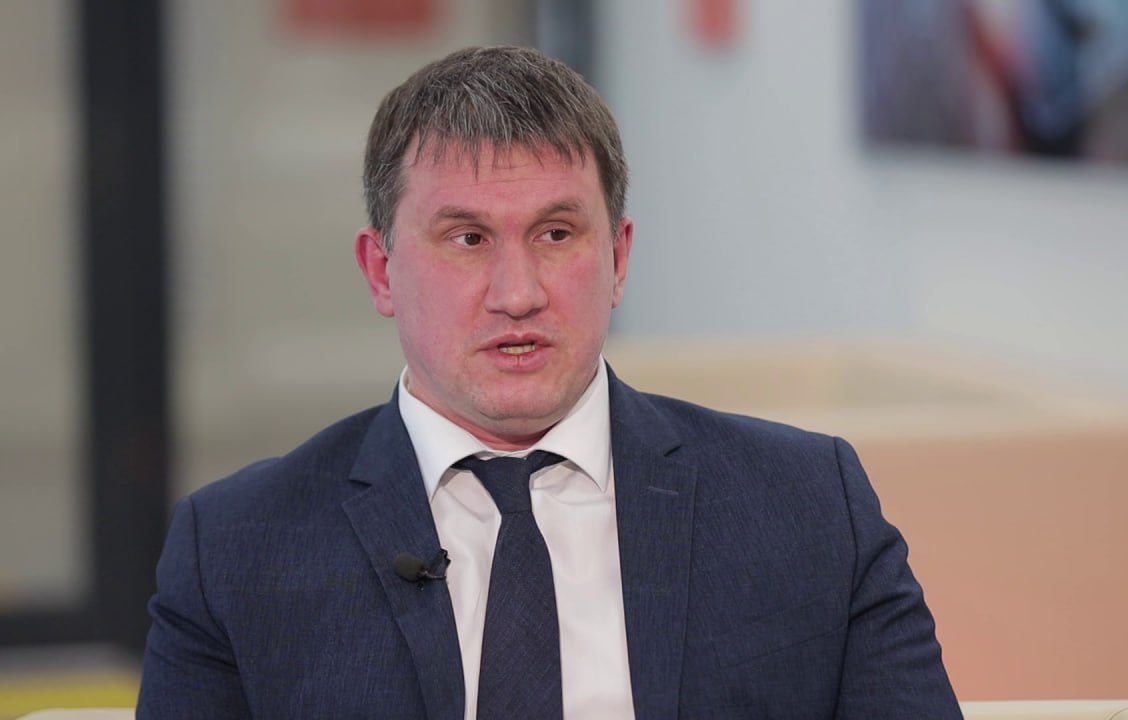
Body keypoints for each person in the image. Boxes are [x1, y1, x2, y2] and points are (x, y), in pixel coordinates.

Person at [138, 45, 961, 719]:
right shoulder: (236, 549)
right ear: (381, 270)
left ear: (619, 259)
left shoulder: (810, 505)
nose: (518, 293)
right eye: (467, 239)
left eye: (557, 233)